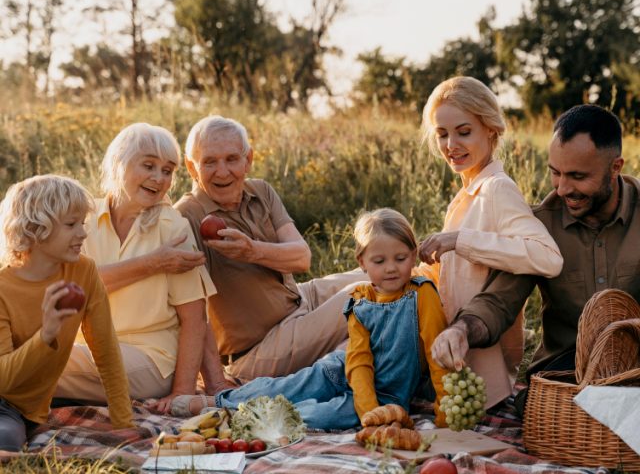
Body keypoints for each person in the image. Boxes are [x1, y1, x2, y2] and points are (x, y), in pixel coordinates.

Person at [430, 104, 639, 413]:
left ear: (615, 167)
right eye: (556, 173)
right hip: (564, 375)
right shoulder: (541, 226)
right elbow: (498, 302)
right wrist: (460, 330)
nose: (564, 188)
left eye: (578, 176)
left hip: (636, 369)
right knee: (540, 409)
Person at [172, 208, 449, 430]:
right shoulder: (360, 298)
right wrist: (369, 412)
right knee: (287, 387)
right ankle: (219, 401)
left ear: (413, 255)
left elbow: (435, 354)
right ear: (362, 263)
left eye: (400, 258)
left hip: (385, 396)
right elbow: (359, 359)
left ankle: (241, 415)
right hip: (343, 370)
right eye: (379, 261)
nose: (391, 268)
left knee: (317, 416)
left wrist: (444, 410)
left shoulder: (422, 294)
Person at [174, 115, 365, 386]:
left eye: (231, 159)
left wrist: (251, 251)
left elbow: (301, 257)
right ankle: (337, 363)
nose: (222, 171)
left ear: (248, 160)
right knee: (362, 296)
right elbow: (192, 312)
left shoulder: (261, 191)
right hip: (261, 346)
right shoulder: (185, 218)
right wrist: (214, 382)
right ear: (191, 168)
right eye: (209, 162)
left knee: (377, 274)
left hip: (299, 299)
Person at [55, 123, 227, 415]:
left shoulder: (172, 227)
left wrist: (182, 392)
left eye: (168, 170)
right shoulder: (83, 219)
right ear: (118, 163)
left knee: (42, 362)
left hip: (152, 360)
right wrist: (152, 263)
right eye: (148, 165)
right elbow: (68, 289)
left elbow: (195, 319)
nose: (159, 178)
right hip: (90, 347)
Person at [418, 77, 563, 409]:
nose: (451, 144)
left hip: (480, 376)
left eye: (463, 131)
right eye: (442, 134)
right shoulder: (467, 193)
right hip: (449, 360)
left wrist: (459, 240)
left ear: (491, 131)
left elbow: (547, 257)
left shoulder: (497, 188)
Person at [0, 175, 133, 451]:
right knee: (6, 439)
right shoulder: (3, 289)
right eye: (71, 225)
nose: (83, 234)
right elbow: (4, 380)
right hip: (5, 403)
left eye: (82, 223)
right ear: (37, 230)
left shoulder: (83, 271)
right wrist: (46, 334)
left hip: (30, 410)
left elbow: (106, 351)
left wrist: (124, 423)